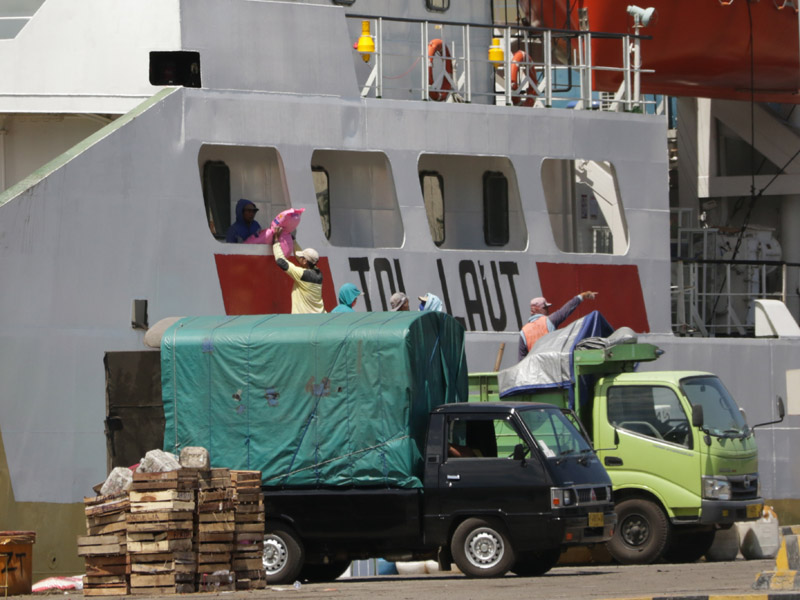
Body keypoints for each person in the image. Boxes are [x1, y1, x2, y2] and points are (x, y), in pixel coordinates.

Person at [518, 291, 598, 360]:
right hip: (551, 368)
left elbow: (521, 360)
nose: (548, 311)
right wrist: (582, 296)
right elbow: (567, 309)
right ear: (539, 309)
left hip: (533, 372)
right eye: (546, 308)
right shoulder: (549, 321)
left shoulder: (524, 331)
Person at [272, 225, 324, 314]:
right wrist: (293, 240)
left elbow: (281, 261)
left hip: (306, 319)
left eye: (302, 257)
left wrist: (276, 239)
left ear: (305, 261)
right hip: (319, 316)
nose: (299, 257)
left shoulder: (302, 275)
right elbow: (301, 259)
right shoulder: (318, 272)